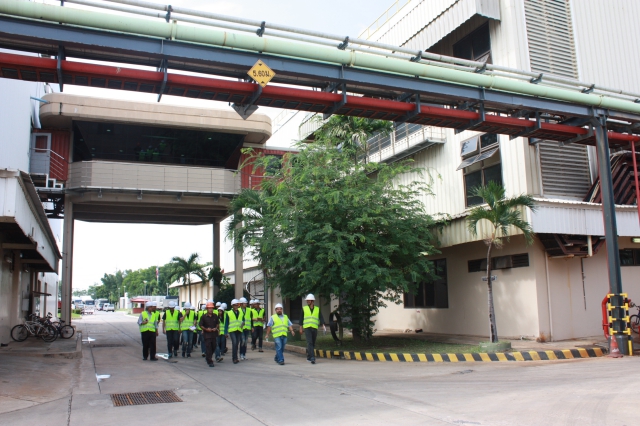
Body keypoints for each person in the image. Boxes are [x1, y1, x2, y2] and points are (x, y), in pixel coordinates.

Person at [299, 294, 326, 364]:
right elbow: (301, 319)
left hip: (314, 327)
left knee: (313, 343)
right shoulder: (304, 308)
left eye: (309, 300)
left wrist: (323, 325)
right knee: (310, 342)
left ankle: (309, 356)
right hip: (307, 327)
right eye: (307, 300)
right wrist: (300, 328)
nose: (307, 301)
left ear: (312, 301)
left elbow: (321, 317)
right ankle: (312, 358)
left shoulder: (317, 309)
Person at [198, 301, 220, 368]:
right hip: (207, 335)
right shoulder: (204, 317)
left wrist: (216, 328)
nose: (211, 309)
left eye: (212, 308)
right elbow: (200, 325)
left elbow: (217, 323)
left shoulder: (215, 316)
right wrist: (206, 329)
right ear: (207, 309)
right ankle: (210, 361)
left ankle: (208, 357)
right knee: (208, 347)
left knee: (213, 346)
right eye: (209, 308)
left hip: (214, 334)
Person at [224, 299, 244, 364]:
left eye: (237, 305)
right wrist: (225, 332)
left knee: (237, 344)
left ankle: (236, 357)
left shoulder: (241, 312)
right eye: (235, 305)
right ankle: (234, 358)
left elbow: (243, 320)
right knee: (234, 343)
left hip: (239, 330)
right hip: (232, 330)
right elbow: (226, 323)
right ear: (232, 306)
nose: (236, 306)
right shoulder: (229, 313)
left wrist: (242, 324)